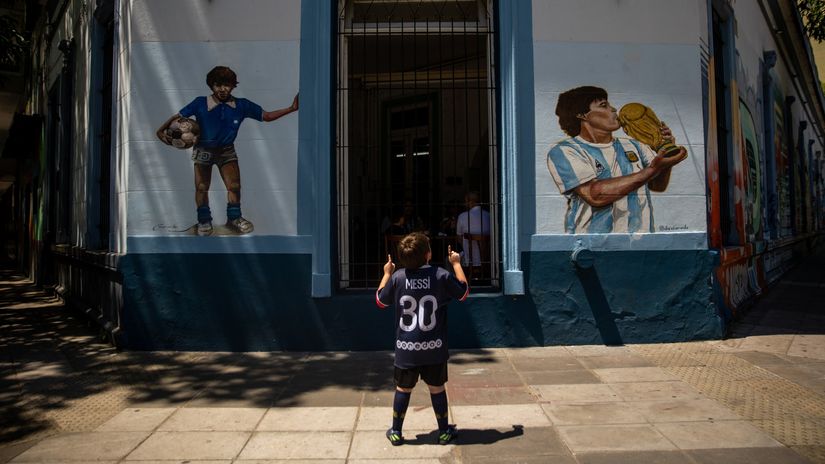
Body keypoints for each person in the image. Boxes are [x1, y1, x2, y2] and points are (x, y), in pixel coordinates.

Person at [156, 66, 299, 236]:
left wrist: (291, 108)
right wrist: (160, 131)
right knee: (202, 187)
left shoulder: (242, 105)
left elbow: (266, 116)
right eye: (217, 85)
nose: (222, 89)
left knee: (234, 186)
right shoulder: (200, 102)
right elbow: (177, 117)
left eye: (227, 85)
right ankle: (204, 220)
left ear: (233, 86)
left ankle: (234, 218)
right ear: (211, 85)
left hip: (227, 150)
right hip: (203, 149)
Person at [546, 86, 687, 234]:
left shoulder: (634, 145)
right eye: (603, 105)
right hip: (592, 246)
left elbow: (658, 185)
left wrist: (665, 153)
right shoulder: (565, 151)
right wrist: (653, 169)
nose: (613, 109)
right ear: (582, 115)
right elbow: (595, 195)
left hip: (640, 244)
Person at [376, 232, 469, 446]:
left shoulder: (399, 277)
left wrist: (386, 273)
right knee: (437, 388)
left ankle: (396, 432)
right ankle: (444, 432)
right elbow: (463, 293)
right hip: (434, 348)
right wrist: (455, 263)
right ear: (428, 254)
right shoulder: (440, 275)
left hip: (406, 348)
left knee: (403, 389)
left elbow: (381, 301)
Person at [455, 191, 490, 267]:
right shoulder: (489, 215)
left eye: (466, 201)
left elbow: (459, 238)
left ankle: (460, 279)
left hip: (468, 260)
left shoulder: (462, 216)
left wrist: (467, 248)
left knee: (449, 260)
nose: (465, 204)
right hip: (487, 260)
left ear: (470, 202)